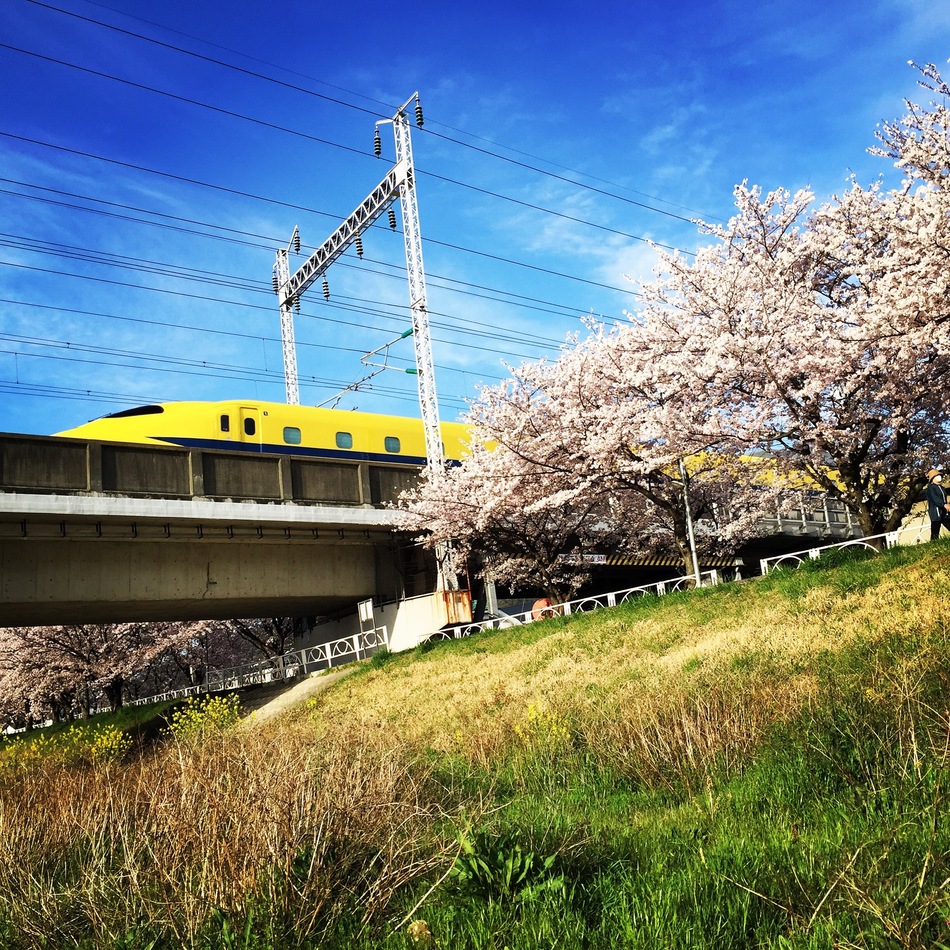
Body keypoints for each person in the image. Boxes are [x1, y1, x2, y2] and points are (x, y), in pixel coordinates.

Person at [925, 469, 950, 540]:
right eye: (937, 476)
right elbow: (935, 498)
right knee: (935, 531)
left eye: (939, 475)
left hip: (944, 512)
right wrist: (944, 505)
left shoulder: (941, 488)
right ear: (933, 478)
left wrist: (947, 504)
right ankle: (933, 544)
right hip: (936, 513)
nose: (939, 477)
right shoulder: (930, 488)